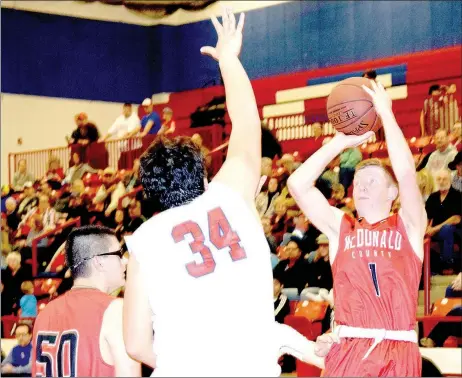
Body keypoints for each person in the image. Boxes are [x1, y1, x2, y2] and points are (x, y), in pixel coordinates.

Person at [123, 8, 325, 376]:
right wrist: (228, 59)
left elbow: (135, 344)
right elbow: (248, 120)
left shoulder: (143, 240)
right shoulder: (229, 196)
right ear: (203, 176)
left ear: (150, 194)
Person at [288, 80, 426, 377]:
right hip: (348, 350)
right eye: (358, 182)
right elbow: (297, 184)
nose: (361, 186)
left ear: (392, 193)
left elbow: (405, 173)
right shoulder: (342, 227)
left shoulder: (409, 226)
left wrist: (386, 114)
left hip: (396, 352)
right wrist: (338, 142)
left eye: (372, 181)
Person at [31, 225, 140, 377]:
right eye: (119, 254)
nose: (125, 261)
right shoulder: (115, 310)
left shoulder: (45, 314)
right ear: (99, 261)